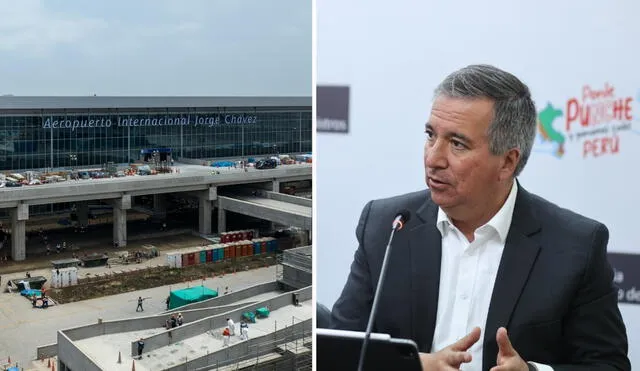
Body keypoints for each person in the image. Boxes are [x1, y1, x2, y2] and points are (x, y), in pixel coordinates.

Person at [330, 64, 630, 371]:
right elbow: (337, 351)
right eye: (431, 135)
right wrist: (411, 366)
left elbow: (608, 365)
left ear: (507, 162)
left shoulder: (576, 245)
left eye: (457, 144)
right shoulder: (386, 226)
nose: (433, 158)